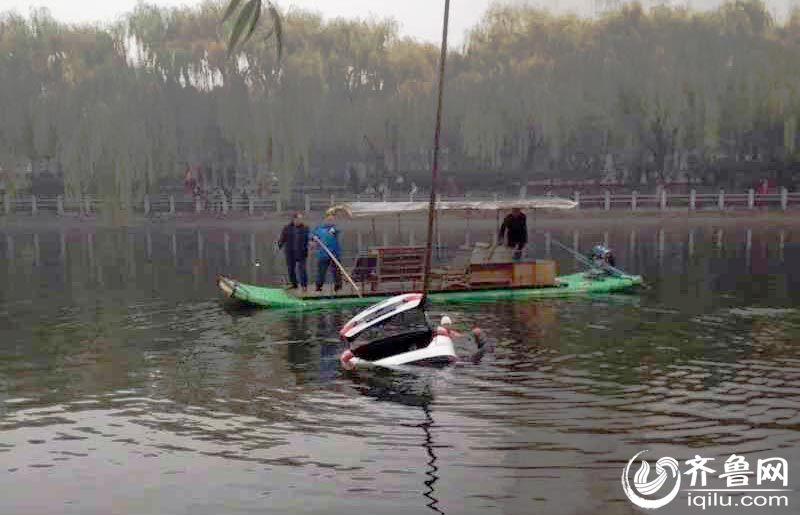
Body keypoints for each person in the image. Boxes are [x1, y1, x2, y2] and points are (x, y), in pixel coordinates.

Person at [277, 212, 310, 290]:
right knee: (291, 270)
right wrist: (279, 246)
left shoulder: (305, 228)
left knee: (302, 270)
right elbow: (282, 238)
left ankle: (304, 286)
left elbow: (310, 238)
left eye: (301, 219)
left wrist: (312, 243)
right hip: (290, 253)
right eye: (299, 219)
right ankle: (294, 284)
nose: (300, 220)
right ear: (294, 219)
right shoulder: (287, 228)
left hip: (302, 253)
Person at [311, 212, 342, 292]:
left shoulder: (335, 228)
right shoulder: (319, 228)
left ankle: (338, 287)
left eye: (332, 219)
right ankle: (318, 287)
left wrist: (333, 230)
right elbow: (311, 234)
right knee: (321, 272)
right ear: (325, 219)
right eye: (329, 219)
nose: (330, 220)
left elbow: (338, 230)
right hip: (323, 253)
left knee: (336, 271)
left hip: (334, 253)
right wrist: (313, 237)